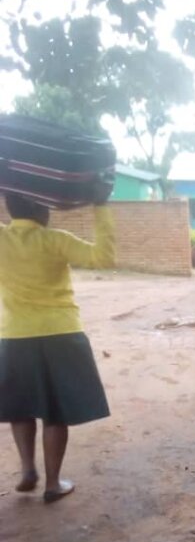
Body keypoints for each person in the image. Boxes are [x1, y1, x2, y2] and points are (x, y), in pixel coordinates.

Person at [0, 188, 115, 502]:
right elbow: (103, 257)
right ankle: (53, 484)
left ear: (10, 208)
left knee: (20, 407)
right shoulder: (56, 241)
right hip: (62, 334)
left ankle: (27, 469)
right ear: (44, 211)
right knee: (55, 411)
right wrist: (100, 206)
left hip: (15, 335)